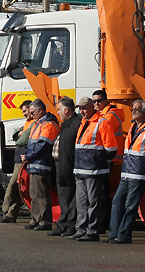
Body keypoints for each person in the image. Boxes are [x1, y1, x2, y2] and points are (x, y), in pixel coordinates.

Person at [105, 100, 145, 244]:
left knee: (130, 205)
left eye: (136, 109)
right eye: (133, 109)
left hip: (138, 173)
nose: (133, 111)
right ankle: (114, 234)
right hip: (127, 172)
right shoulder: (134, 126)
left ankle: (123, 235)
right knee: (117, 201)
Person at [71, 96, 117, 241]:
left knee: (93, 202)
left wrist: (101, 162)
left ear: (92, 107)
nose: (82, 111)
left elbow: (111, 148)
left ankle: (92, 230)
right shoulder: (84, 123)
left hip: (93, 170)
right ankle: (82, 228)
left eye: (84, 108)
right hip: (81, 169)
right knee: (82, 202)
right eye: (80, 108)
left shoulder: (102, 123)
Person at [20, 99, 59, 231]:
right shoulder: (39, 124)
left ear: (40, 110)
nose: (31, 115)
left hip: (42, 163)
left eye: (33, 112)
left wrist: (28, 156)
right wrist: (27, 155)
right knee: (34, 194)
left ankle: (44, 221)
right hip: (34, 163)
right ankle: (36, 219)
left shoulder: (49, 125)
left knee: (41, 194)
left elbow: (43, 146)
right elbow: (32, 143)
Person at [47, 97, 81, 237]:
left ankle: (69, 226)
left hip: (68, 166)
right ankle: (63, 225)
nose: (58, 112)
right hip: (60, 165)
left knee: (69, 198)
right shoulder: (65, 124)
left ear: (66, 110)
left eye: (59, 109)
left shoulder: (76, 123)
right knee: (63, 197)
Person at [92, 88, 125, 231]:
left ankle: (108, 224)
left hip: (112, 161)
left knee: (108, 195)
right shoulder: (105, 115)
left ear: (106, 100)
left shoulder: (109, 117)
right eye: (94, 101)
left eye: (99, 101)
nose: (96, 104)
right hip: (111, 160)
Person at [0, 99, 34, 223]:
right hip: (19, 158)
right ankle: (10, 213)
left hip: (23, 159)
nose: (24, 114)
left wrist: (21, 134)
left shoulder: (34, 123)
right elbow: (15, 135)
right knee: (18, 187)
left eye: (25, 111)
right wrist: (20, 133)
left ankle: (6, 209)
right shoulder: (27, 123)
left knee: (15, 185)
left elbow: (21, 139)